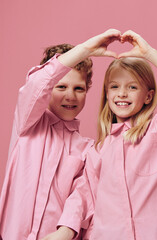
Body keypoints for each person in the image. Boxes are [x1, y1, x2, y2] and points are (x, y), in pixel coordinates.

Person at [0, 29, 122, 240]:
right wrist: (86, 49)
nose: (70, 96)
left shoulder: (87, 150)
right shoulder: (28, 123)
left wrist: (65, 230)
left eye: (79, 89)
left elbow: (83, 198)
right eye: (61, 86)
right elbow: (38, 83)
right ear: (49, 89)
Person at [85, 30, 157, 239]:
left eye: (132, 87)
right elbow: (90, 203)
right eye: (114, 87)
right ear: (107, 94)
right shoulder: (98, 149)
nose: (122, 93)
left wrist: (149, 53)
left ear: (148, 96)